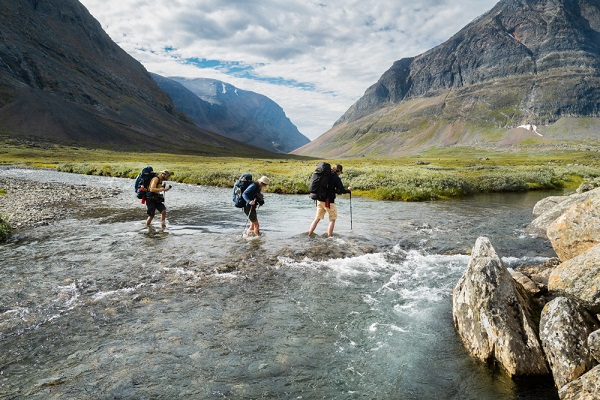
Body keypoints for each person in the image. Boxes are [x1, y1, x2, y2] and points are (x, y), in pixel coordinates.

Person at [308, 164, 352, 237]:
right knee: (332, 219)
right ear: (339, 170)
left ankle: (309, 234)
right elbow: (341, 190)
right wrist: (348, 190)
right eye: (340, 172)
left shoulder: (326, 175)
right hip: (329, 202)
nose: (340, 174)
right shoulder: (335, 177)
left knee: (317, 219)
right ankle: (330, 238)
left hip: (320, 199)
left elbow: (329, 188)